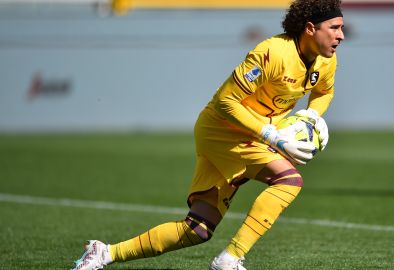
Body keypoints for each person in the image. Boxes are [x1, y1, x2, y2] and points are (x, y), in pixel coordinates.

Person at [71, 0, 344, 269]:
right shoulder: (272, 52)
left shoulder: (326, 61)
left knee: (197, 229)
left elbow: (324, 92)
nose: (341, 35)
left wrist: (311, 116)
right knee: (288, 181)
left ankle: (104, 253)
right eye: (334, 28)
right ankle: (231, 259)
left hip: (253, 135)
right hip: (223, 131)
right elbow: (226, 101)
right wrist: (272, 136)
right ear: (310, 28)